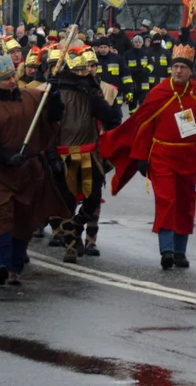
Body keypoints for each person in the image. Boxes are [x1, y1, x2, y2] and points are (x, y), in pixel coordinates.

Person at [105, 44, 196, 269]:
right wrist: (141, 156)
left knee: (185, 204)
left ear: (190, 70)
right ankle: (167, 250)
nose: (178, 71)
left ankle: (181, 251)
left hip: (191, 158)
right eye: (175, 67)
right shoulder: (159, 92)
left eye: (183, 67)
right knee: (167, 201)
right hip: (162, 157)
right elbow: (144, 126)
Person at [0, 55, 65, 284]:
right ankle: (0, 264)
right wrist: (7, 157)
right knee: (1, 216)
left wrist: (55, 95)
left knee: (23, 219)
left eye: (12, 76)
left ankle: (15, 268)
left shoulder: (33, 97)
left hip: (28, 172)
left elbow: (55, 115)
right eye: (5, 78)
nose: (11, 81)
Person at [49, 48, 122, 261]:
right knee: (67, 201)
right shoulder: (58, 91)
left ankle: (78, 225)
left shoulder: (94, 90)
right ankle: (71, 246)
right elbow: (50, 122)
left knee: (93, 199)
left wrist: (90, 93)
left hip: (89, 153)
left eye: (86, 69)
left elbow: (109, 117)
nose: (83, 73)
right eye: (78, 70)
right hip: (64, 155)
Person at [93, 37, 132, 109]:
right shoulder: (94, 60)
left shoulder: (117, 58)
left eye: (105, 47)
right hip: (100, 94)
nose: (103, 49)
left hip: (116, 94)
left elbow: (126, 76)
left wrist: (129, 93)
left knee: (116, 117)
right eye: (101, 47)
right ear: (97, 48)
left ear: (109, 48)